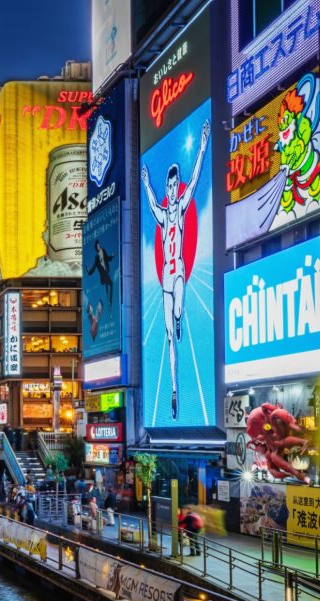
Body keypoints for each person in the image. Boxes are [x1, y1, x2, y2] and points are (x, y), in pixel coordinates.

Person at [140, 119, 210, 420]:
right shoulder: (161, 212)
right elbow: (152, 201)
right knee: (169, 337)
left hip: (178, 271)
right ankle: (174, 390)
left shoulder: (180, 208)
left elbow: (194, 179)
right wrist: (145, 182)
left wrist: (204, 144)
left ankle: (180, 318)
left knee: (178, 311)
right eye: (168, 186)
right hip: (165, 280)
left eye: (172, 185)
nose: (170, 190)